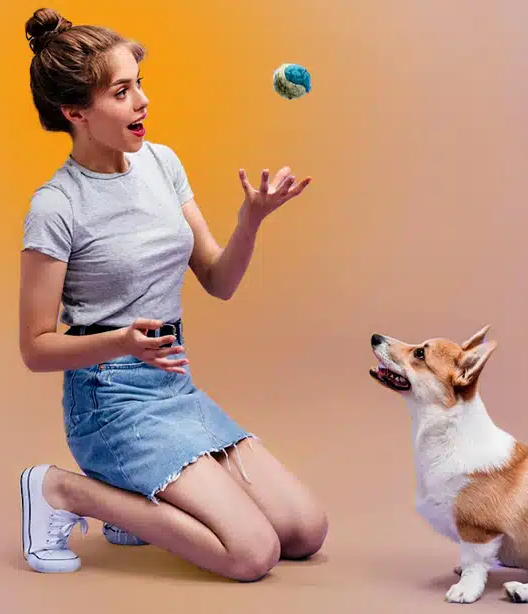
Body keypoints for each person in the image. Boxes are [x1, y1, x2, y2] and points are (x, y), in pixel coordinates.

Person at [17, 8, 327, 581]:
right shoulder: (56, 206)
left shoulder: (162, 163)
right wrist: (123, 342)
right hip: (107, 400)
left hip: (173, 383)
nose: (143, 101)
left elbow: (218, 281)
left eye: (139, 83)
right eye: (122, 91)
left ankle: (133, 502)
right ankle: (62, 489)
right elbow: (36, 349)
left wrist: (251, 220)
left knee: (305, 532)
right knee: (250, 555)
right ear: (75, 112)